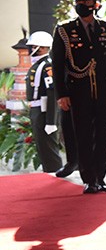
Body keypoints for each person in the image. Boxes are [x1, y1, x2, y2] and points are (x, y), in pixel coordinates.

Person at [51, 0, 106, 194]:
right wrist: (62, 94)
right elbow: (57, 65)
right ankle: (89, 179)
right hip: (78, 92)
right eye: (79, 1)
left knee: (103, 135)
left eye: (86, 1)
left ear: (96, 4)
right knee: (83, 135)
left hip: (103, 91)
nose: (82, 4)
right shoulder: (65, 31)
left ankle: (100, 178)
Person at [25, 31, 62, 173]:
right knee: (43, 149)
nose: (30, 49)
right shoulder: (38, 65)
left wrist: (51, 121)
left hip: (44, 111)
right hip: (37, 110)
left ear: (42, 47)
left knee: (49, 149)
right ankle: (49, 173)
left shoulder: (47, 66)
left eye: (33, 46)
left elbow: (52, 94)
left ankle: (55, 175)